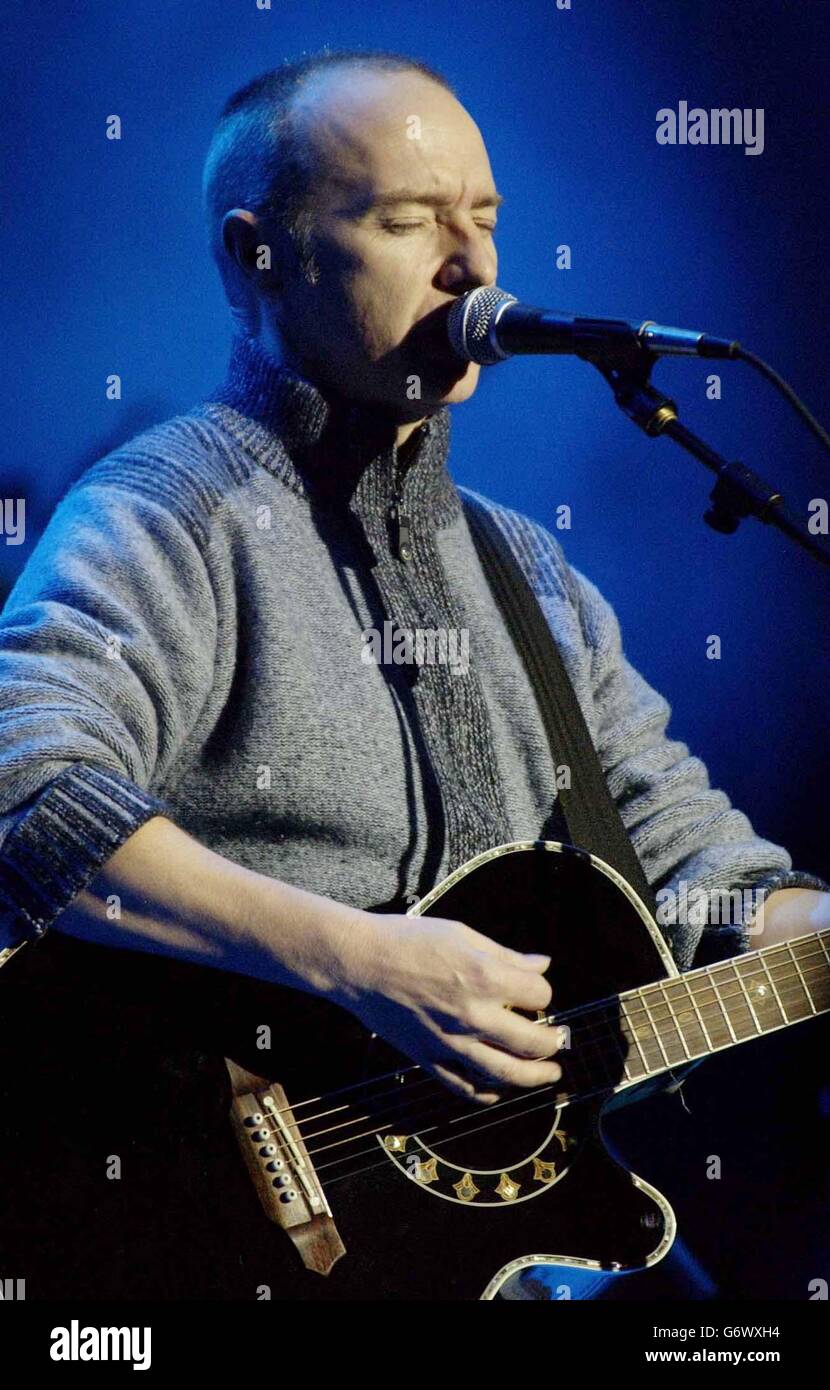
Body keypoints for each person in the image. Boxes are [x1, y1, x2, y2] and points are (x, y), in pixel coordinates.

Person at [0, 49, 827, 1302]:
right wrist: (358, 960)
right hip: (196, 1245)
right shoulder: (169, 512)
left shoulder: (526, 570)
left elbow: (697, 872)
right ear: (253, 257)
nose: (474, 268)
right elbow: (27, 791)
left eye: (484, 220)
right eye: (404, 222)